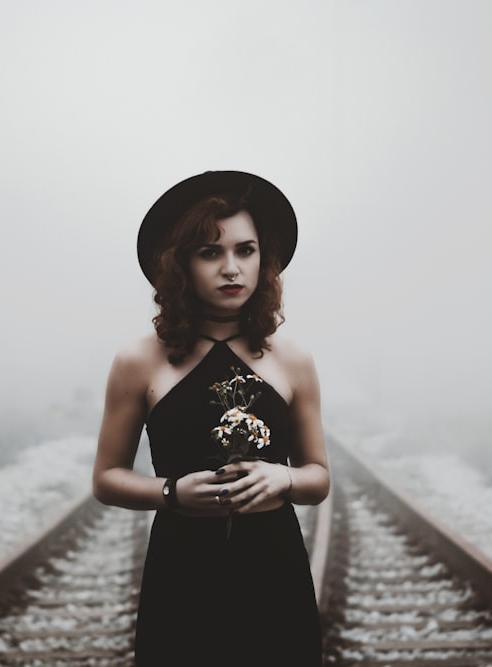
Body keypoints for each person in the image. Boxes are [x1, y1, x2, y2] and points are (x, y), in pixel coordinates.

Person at [92, 170, 329, 666]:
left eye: (245, 250)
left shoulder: (292, 359)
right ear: (181, 264)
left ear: (264, 259)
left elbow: (318, 479)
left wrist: (281, 477)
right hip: (182, 567)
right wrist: (170, 493)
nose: (231, 269)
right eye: (210, 252)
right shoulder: (140, 360)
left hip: (274, 568)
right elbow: (107, 479)